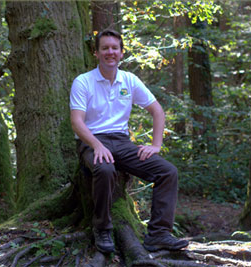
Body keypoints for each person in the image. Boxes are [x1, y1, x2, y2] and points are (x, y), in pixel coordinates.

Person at [69, 29, 188, 254]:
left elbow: (157, 111)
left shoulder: (129, 80)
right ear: (96, 52)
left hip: (122, 142)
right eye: (105, 48)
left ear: (122, 53)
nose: (110, 52)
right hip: (91, 140)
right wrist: (97, 145)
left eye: (115, 48)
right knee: (104, 170)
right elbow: (77, 122)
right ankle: (102, 228)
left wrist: (156, 145)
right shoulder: (83, 82)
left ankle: (158, 235)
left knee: (167, 172)